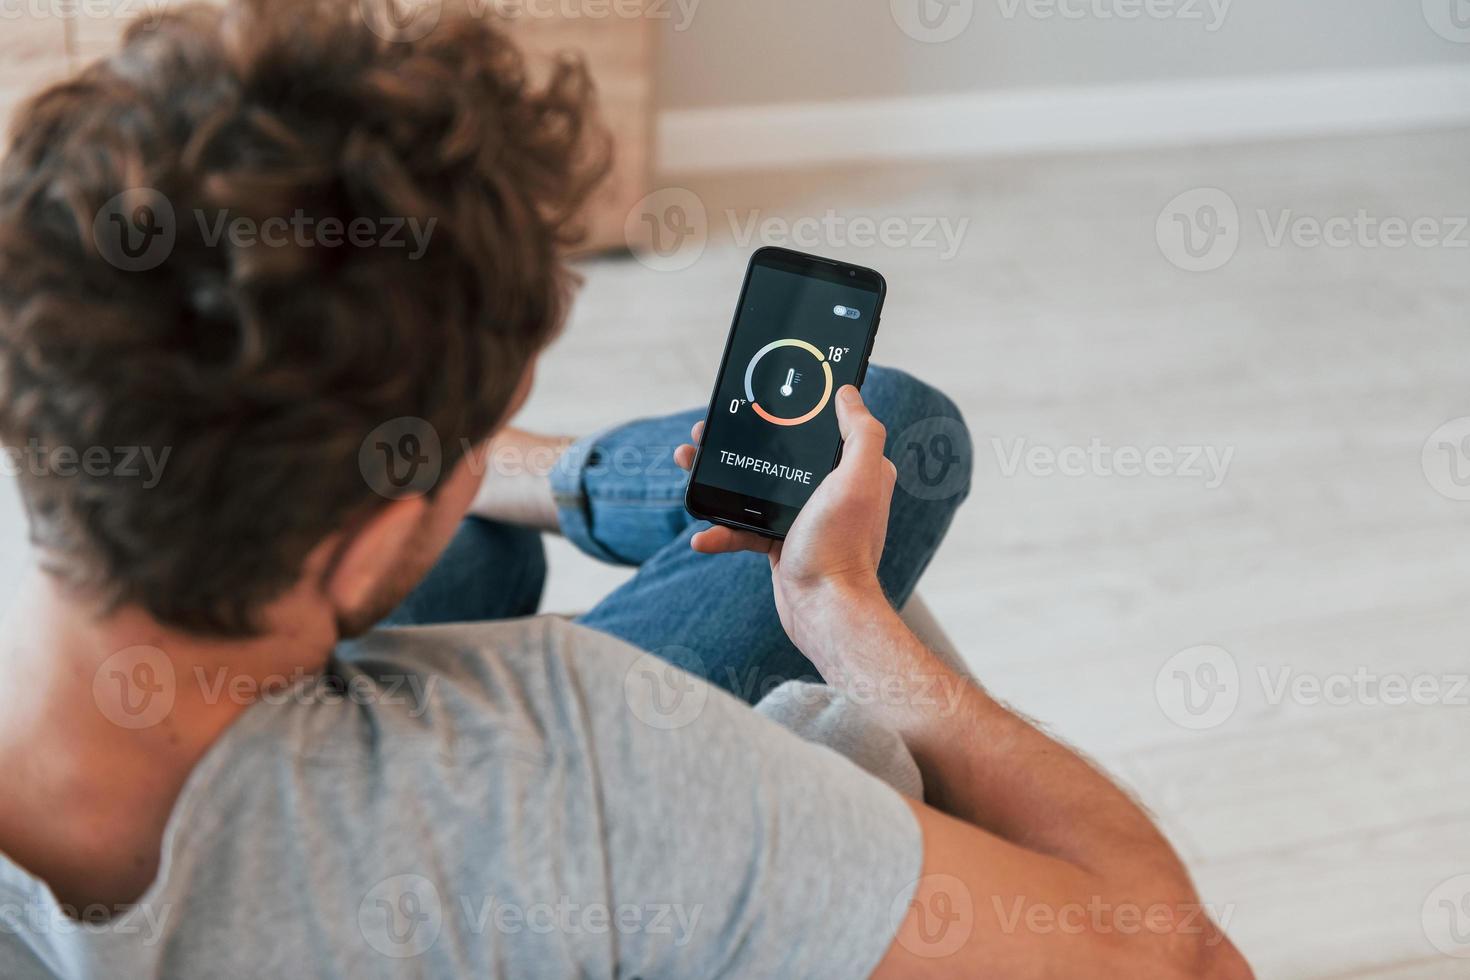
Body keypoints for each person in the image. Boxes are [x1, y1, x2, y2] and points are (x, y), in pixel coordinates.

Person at [0, 1, 1252, 976]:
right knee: (895, 428)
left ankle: (599, 486)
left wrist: (529, 478)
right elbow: (1172, 951)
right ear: (363, 530)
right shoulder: (570, 762)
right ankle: (661, 495)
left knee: (480, 556)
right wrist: (846, 617)